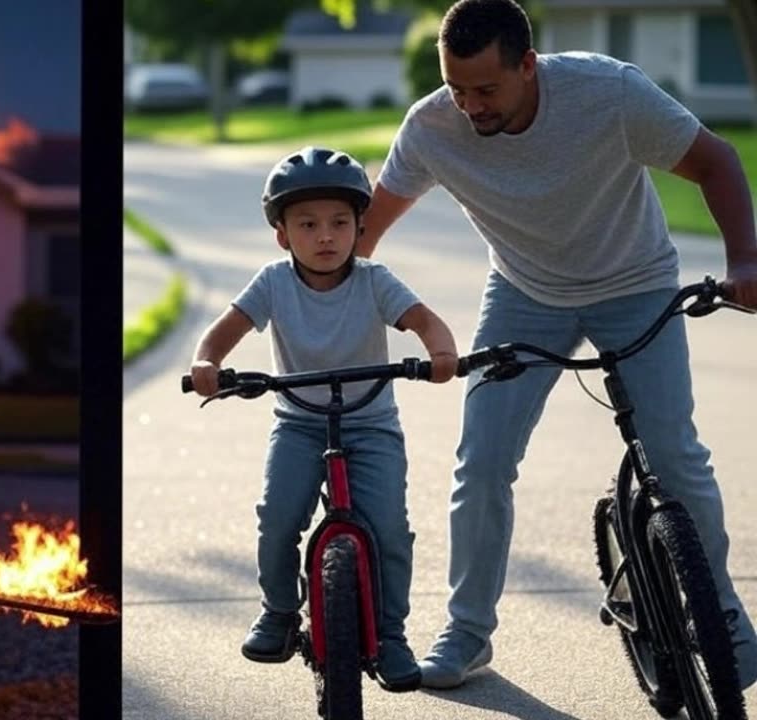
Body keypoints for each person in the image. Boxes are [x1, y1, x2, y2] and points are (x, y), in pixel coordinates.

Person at [358, 0, 757, 689]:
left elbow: (716, 162)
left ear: (529, 66)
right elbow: (368, 226)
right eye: (457, 88)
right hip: (524, 292)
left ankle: (718, 611)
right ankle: (467, 632)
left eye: (486, 90)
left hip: (635, 282)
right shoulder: (432, 127)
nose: (471, 106)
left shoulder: (610, 93)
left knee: (675, 456)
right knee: (481, 461)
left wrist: (745, 260)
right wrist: (324, 298)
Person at [188, 146, 459, 691]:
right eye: (307, 225)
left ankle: (390, 634)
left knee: (389, 530)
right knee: (277, 516)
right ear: (283, 235)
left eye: (340, 223)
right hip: (298, 421)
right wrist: (207, 362)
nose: (326, 236)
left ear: (361, 227)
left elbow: (427, 323)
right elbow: (223, 331)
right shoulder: (272, 282)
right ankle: (280, 612)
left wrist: (441, 354)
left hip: (372, 423)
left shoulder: (375, 280)